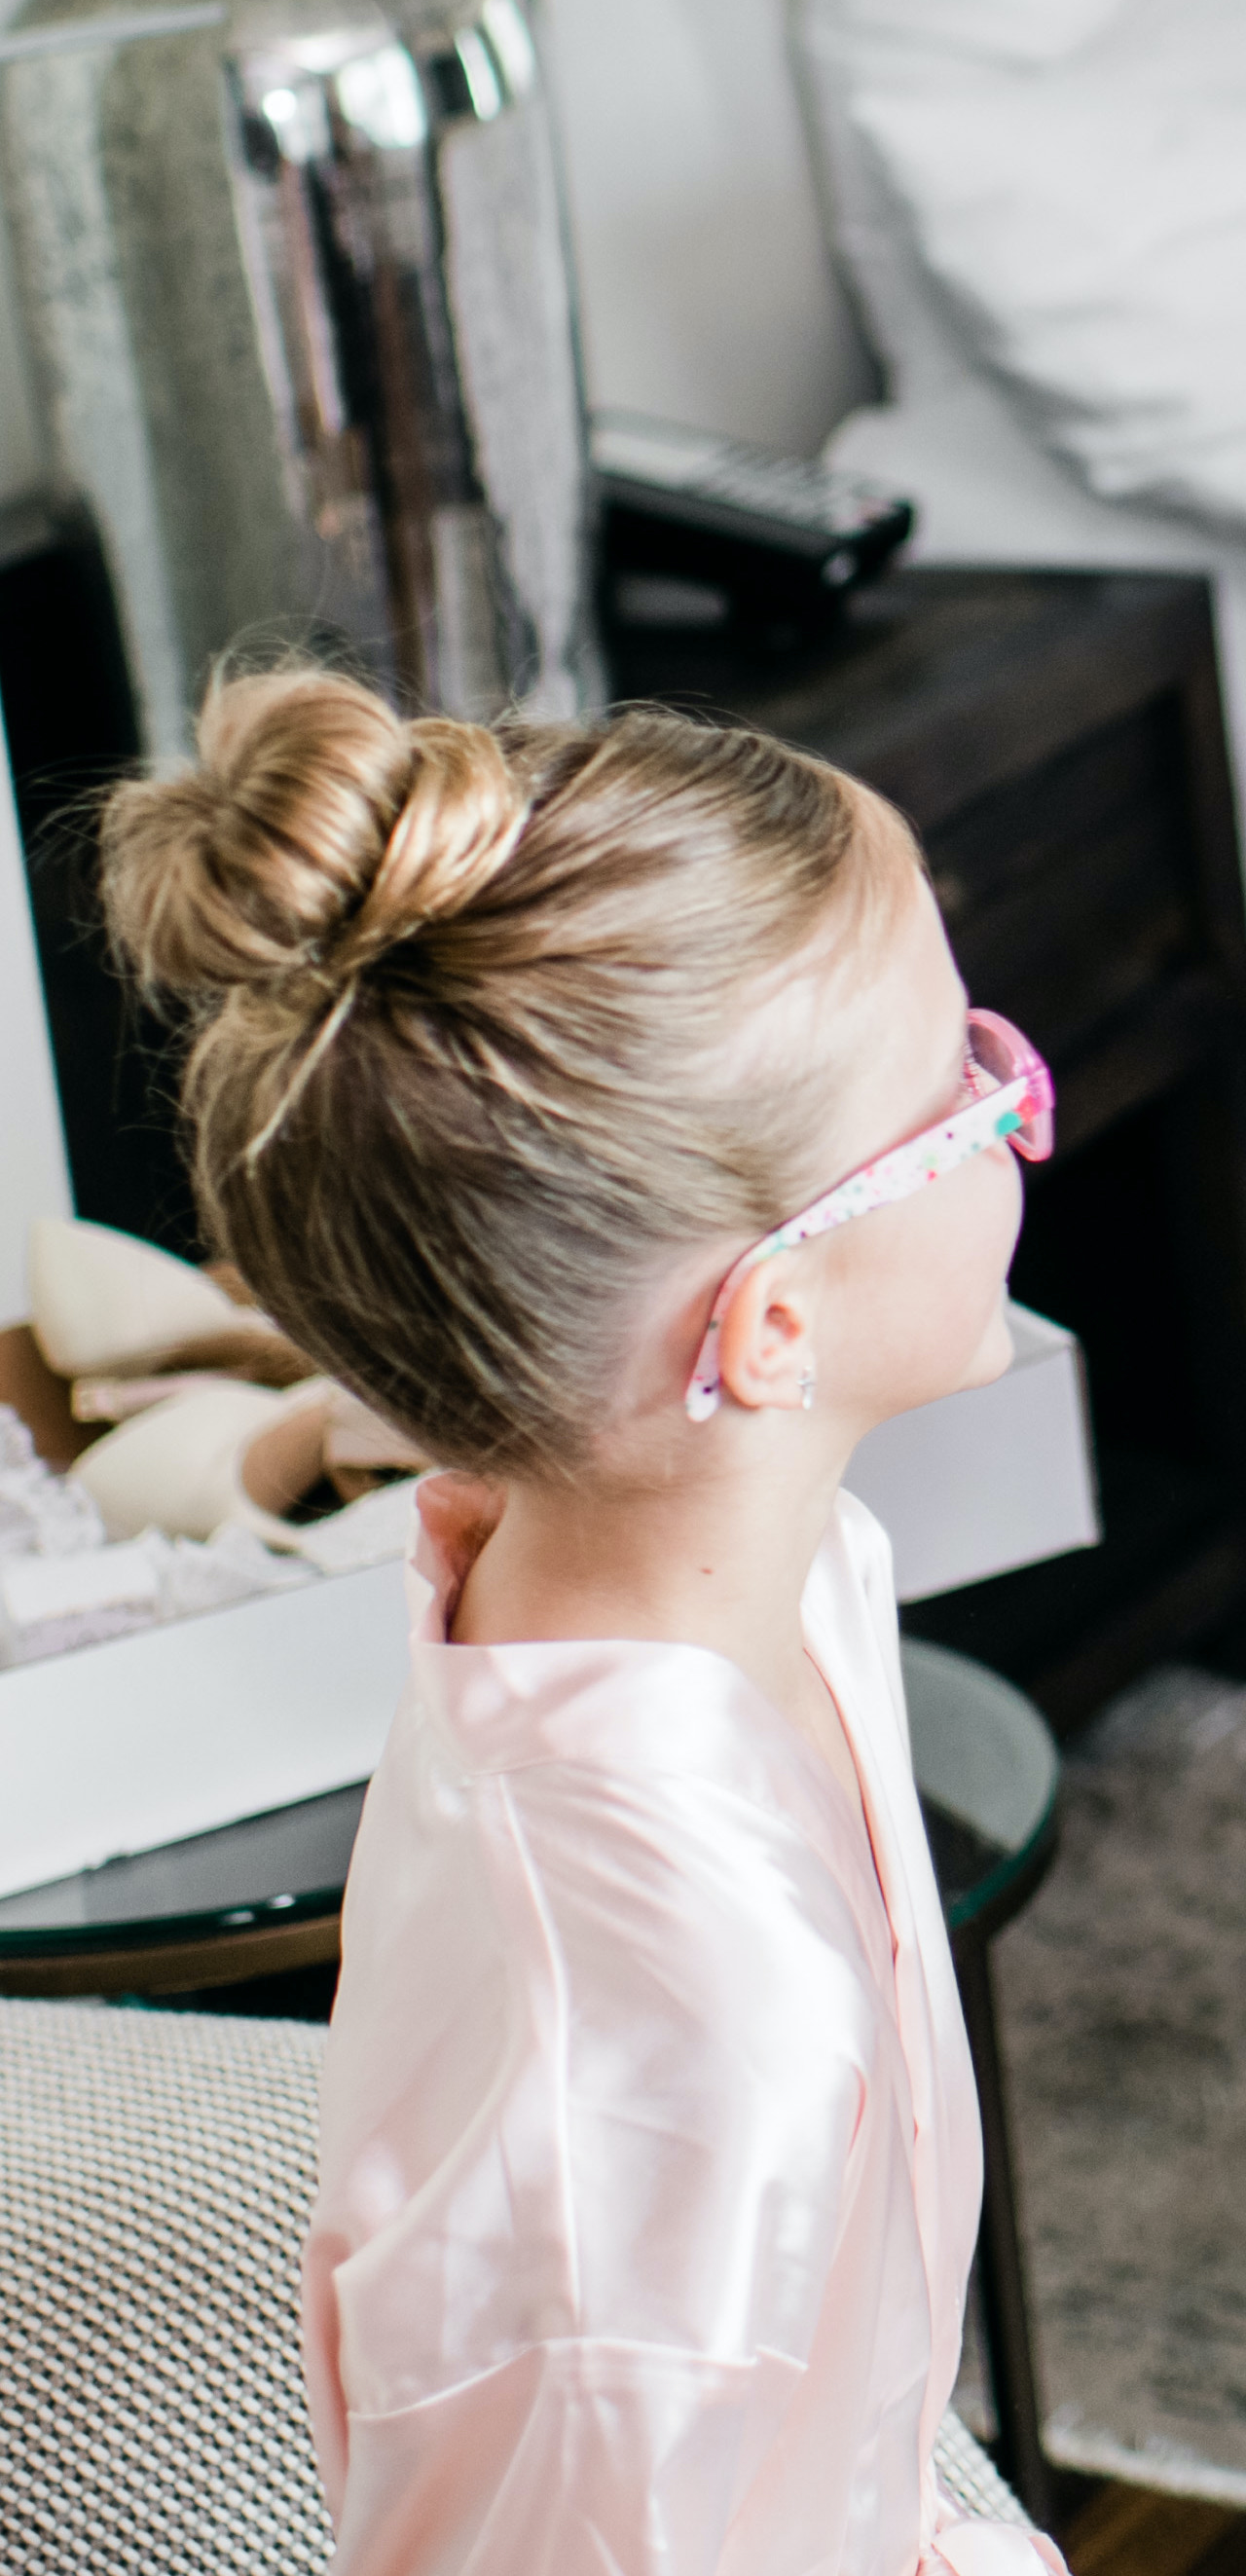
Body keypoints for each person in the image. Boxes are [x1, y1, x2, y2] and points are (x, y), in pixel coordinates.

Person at [97, 668, 1069, 2576]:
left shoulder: (761, 1578)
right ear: (770, 1320)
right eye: (960, 1078)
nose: (1009, 1101)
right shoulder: (674, 2054)